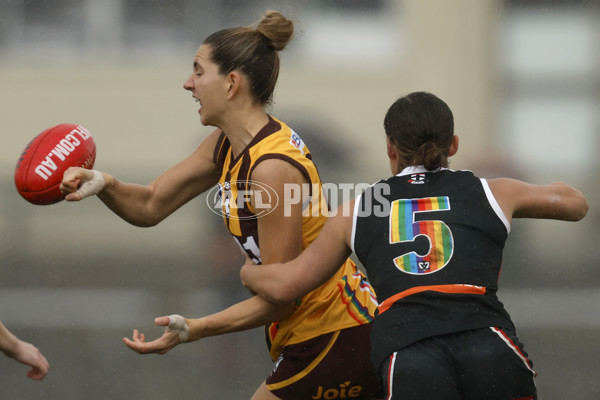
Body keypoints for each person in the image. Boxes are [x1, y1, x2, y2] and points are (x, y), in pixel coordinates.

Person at [60, 10, 381, 400]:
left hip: (336, 332)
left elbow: (280, 298)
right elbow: (150, 205)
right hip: (315, 335)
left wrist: (197, 328)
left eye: (198, 71)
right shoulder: (225, 144)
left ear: (231, 83)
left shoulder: (271, 168)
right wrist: (106, 184)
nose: (187, 83)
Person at [240, 91, 589, 400]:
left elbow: (286, 285)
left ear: (390, 148)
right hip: (488, 345)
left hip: (410, 356)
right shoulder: (490, 191)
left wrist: (249, 273)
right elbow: (575, 204)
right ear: (453, 145)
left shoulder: (358, 209)